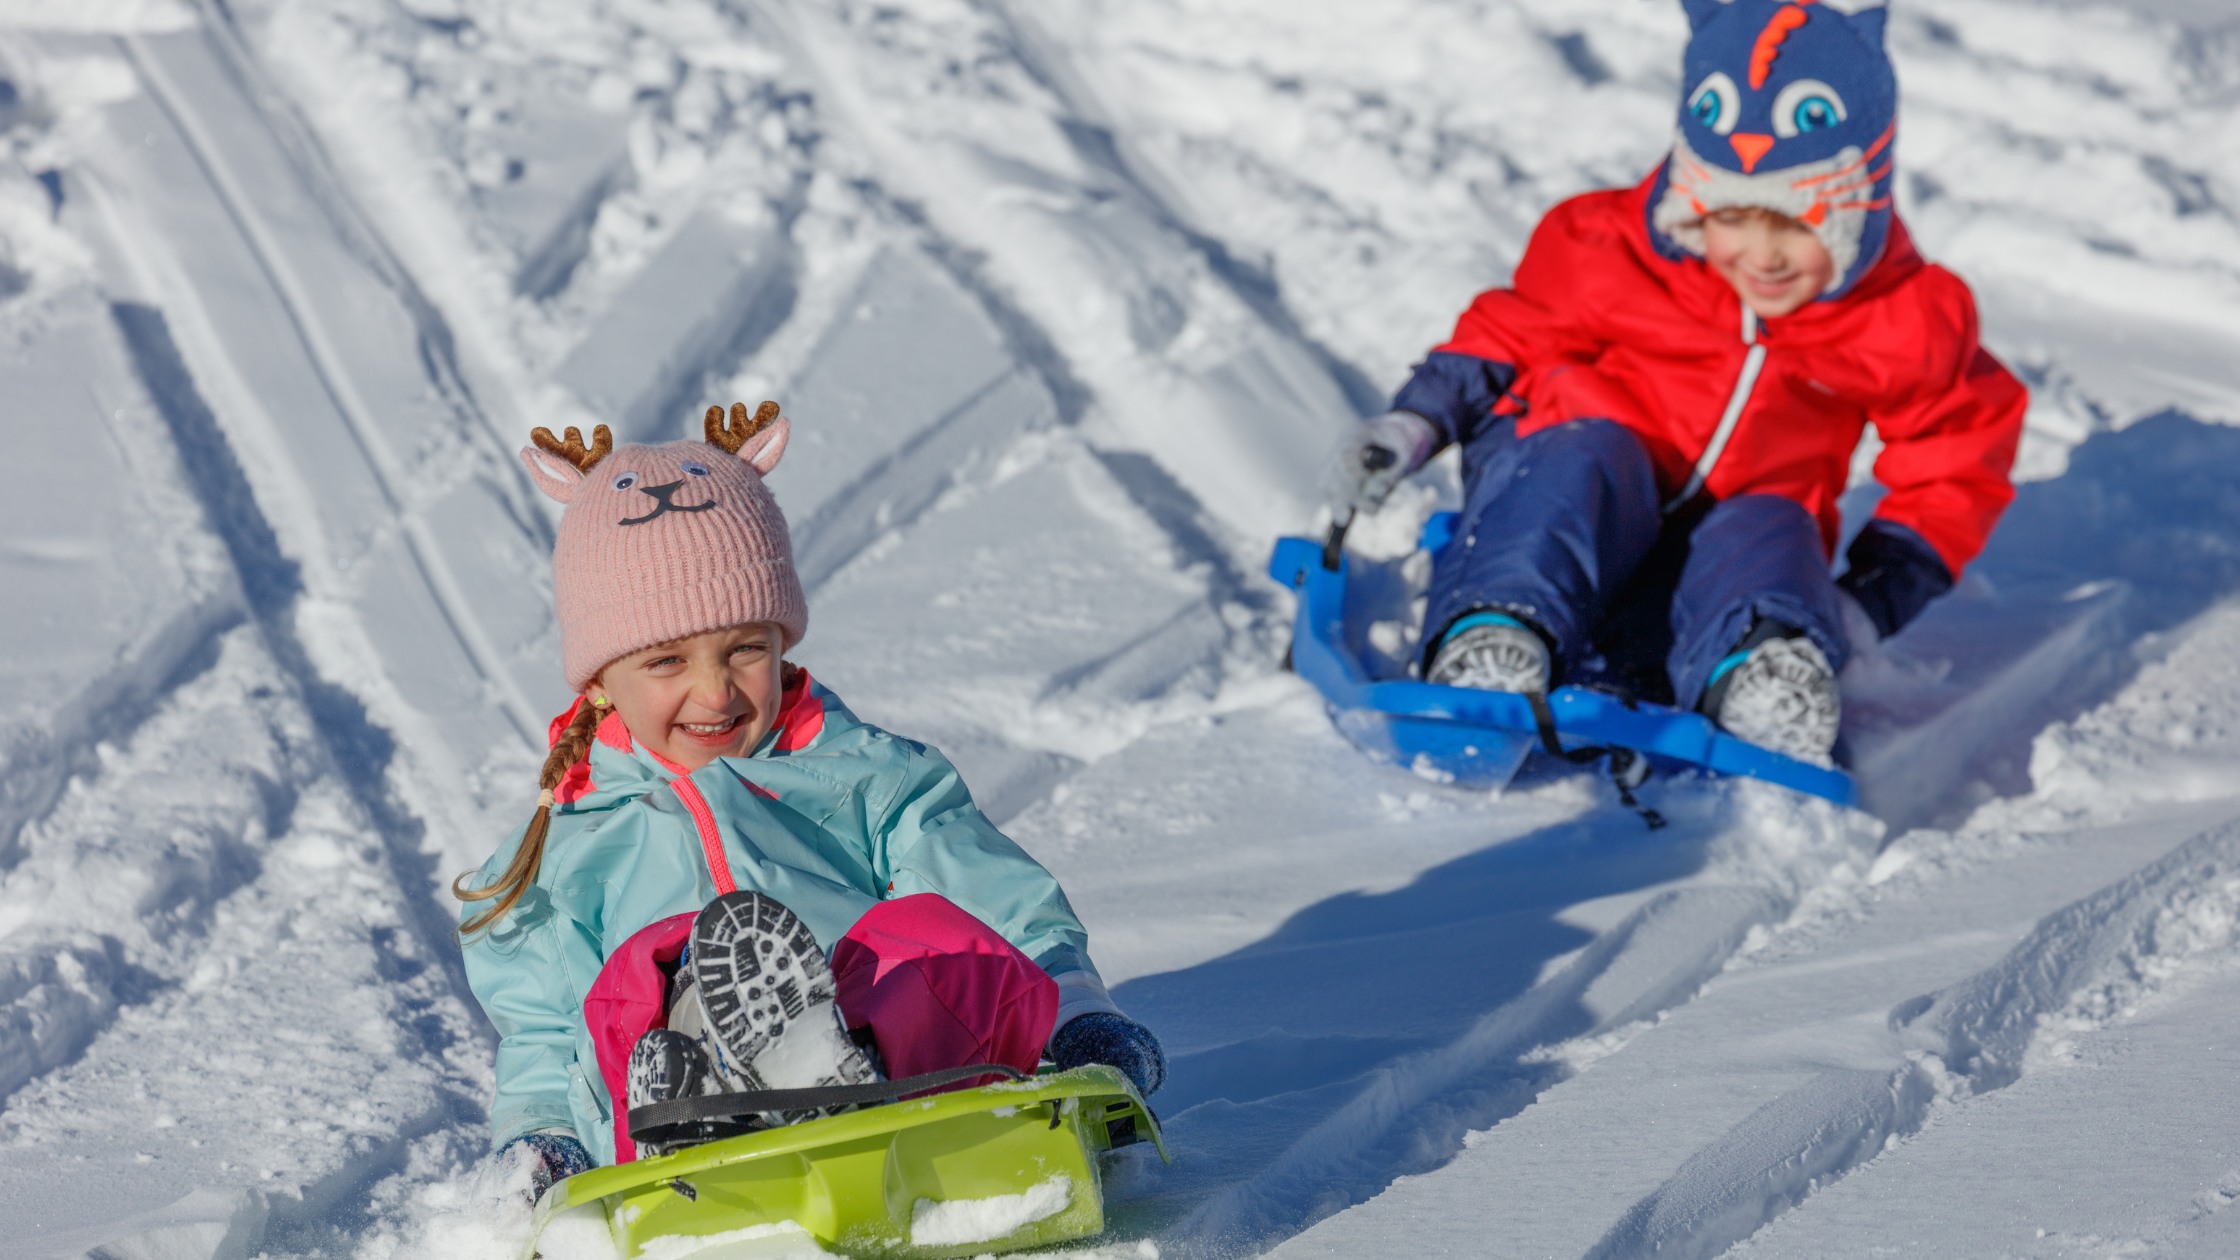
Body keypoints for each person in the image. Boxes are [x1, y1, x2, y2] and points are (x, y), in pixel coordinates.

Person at [457, 403, 1164, 1197]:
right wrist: (543, 1142)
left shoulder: (867, 776)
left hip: (895, 1069)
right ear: (598, 680)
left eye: (745, 649)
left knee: (930, 941)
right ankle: (710, 1087)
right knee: (637, 980)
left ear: (783, 641)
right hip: (660, 1113)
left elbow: (1000, 901)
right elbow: (546, 1033)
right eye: (665, 662)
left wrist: (1076, 1016)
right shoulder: (572, 846)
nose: (714, 690)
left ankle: (822, 1064)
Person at [1330, 0, 2025, 765]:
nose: (1762, 256)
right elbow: (1506, 337)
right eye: (1733, 219)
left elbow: (1959, 450)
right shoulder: (1609, 251)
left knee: (1772, 518)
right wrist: (1415, 424)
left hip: (1699, 577)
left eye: (1798, 225)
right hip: (1564, 509)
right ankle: (1496, 637)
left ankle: (1763, 672)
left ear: (1855, 216)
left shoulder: (1900, 317)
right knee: (1589, 454)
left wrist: (1870, 599)